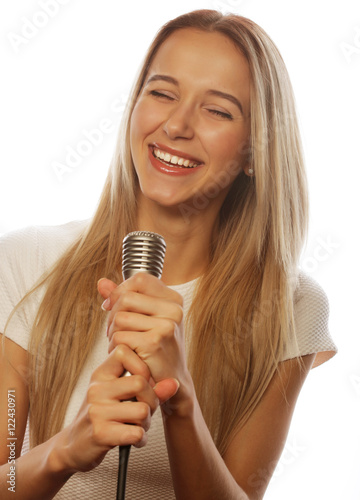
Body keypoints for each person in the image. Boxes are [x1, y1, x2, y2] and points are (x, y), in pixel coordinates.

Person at [0, 9, 337, 500]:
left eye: (218, 110)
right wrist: (64, 450)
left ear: (253, 151)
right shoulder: (27, 261)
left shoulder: (290, 304)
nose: (177, 125)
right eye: (162, 93)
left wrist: (179, 399)